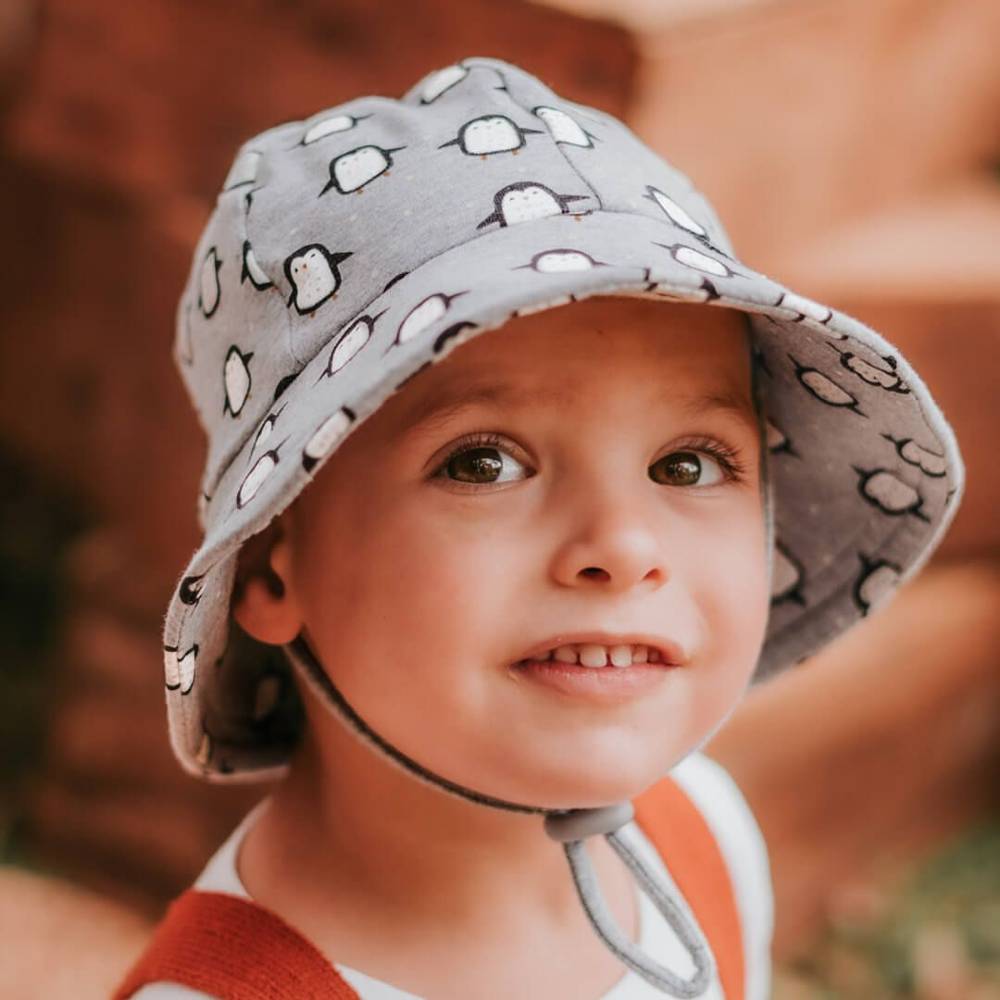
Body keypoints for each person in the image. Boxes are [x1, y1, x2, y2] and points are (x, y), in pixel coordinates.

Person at [113, 56, 964, 1000]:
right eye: (484, 463)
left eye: (687, 464)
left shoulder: (701, 838)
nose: (623, 547)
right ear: (273, 565)